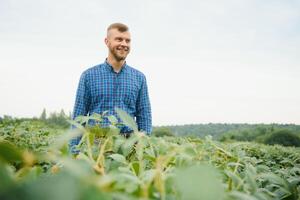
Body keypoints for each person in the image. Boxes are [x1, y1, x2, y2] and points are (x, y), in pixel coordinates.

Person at [69, 23, 152, 153]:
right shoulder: (88, 76)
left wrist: (143, 148)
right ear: (107, 42)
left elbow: (144, 116)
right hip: (97, 147)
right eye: (119, 39)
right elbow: (78, 118)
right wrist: (74, 153)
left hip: (129, 148)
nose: (124, 44)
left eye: (127, 41)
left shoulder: (139, 78)